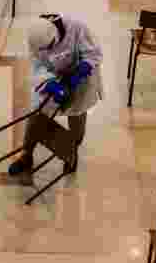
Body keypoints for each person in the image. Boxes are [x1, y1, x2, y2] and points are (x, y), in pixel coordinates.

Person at [9, 13, 102, 175]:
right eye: (44, 49)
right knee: (37, 113)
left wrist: (76, 76)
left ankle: (71, 155)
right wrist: (50, 83)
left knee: (77, 120)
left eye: (50, 46)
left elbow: (93, 55)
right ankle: (26, 154)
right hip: (54, 77)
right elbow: (36, 65)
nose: (48, 51)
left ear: (56, 34)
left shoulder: (77, 27)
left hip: (82, 79)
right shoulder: (36, 38)